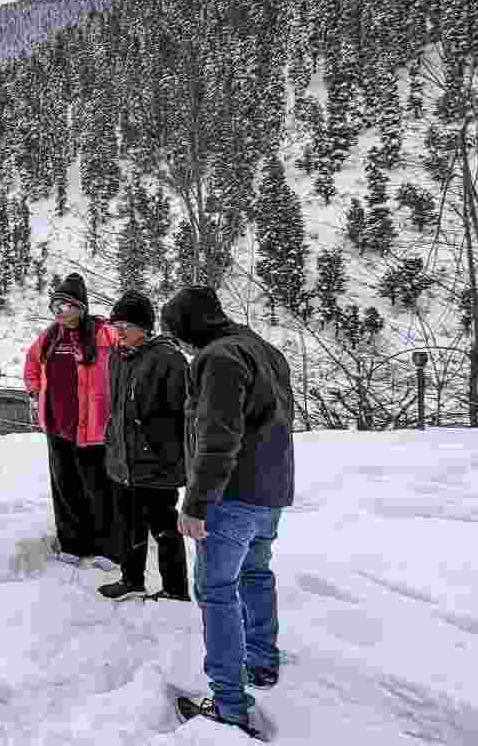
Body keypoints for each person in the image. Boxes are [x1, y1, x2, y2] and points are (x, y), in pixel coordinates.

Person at [161, 285, 296, 739]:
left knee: (216, 591)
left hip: (231, 496)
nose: (179, 345)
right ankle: (262, 662)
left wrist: (196, 503)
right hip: (270, 492)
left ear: (189, 330)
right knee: (256, 574)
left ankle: (229, 703)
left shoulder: (218, 358)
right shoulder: (265, 350)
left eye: (177, 335)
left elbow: (218, 437)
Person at [98, 290, 190, 602]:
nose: (119, 331)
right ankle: (131, 580)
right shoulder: (117, 358)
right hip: (123, 459)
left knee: (164, 528)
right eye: (116, 325)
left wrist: (174, 456)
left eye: (126, 325)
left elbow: (184, 414)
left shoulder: (169, 359)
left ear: (145, 327)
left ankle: (175, 589)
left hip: (157, 462)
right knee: (128, 525)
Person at [24, 272, 119, 565]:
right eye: (55, 306)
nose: (60, 313)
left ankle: (108, 547)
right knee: (65, 486)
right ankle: (73, 544)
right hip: (57, 424)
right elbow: (31, 363)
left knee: (99, 487)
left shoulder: (105, 334)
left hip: (95, 425)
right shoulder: (50, 336)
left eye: (66, 306)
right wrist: (34, 390)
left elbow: (127, 358)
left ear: (81, 307)